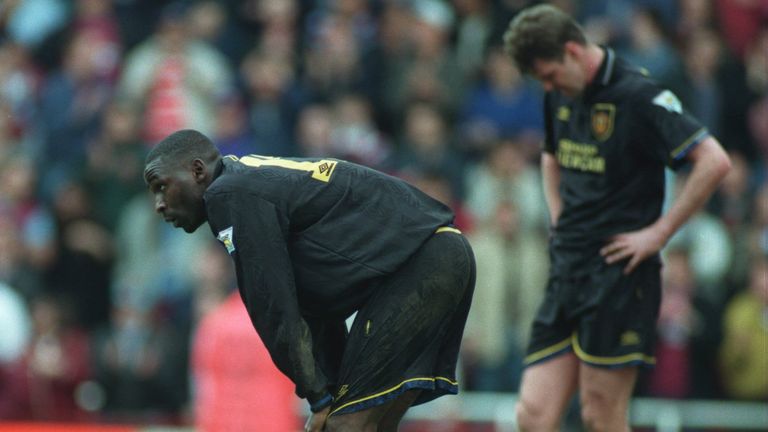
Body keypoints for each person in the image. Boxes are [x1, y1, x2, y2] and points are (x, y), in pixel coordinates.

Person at [142, 129, 476, 432]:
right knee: (368, 423)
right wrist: (326, 391)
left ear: (198, 171)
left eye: (161, 186)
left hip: (423, 263)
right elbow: (315, 309)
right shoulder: (246, 182)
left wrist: (318, 397)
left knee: (345, 425)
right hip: (440, 256)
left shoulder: (228, 194)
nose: (158, 204)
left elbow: (272, 306)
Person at [501, 5, 731, 432]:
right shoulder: (560, 91)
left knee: (600, 413)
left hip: (619, 274)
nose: (548, 87)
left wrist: (659, 233)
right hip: (568, 268)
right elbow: (551, 156)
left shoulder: (638, 95)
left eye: (550, 75)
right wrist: (558, 217)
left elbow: (714, 161)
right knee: (532, 414)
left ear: (572, 51)